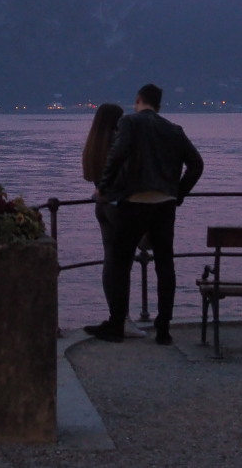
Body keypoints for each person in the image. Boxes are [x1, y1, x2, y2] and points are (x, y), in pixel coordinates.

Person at [85, 83, 203, 344]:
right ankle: (163, 329)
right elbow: (196, 164)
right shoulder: (174, 130)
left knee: (120, 262)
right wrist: (178, 193)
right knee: (165, 265)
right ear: (159, 104)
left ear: (138, 99)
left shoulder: (130, 123)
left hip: (134, 202)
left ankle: (117, 325)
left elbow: (117, 156)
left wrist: (104, 189)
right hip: (165, 205)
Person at [81, 103, 147, 337]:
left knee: (111, 263)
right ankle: (122, 320)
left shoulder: (93, 145)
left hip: (103, 207)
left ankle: (115, 317)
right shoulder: (116, 144)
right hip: (120, 208)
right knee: (124, 265)